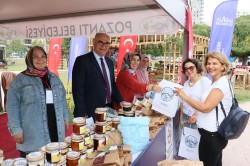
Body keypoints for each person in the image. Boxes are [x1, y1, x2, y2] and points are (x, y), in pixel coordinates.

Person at [7, 46, 70, 157]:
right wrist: (16, 129)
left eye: (42, 56)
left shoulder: (54, 78)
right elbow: (12, 106)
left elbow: (62, 100)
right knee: (34, 160)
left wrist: (65, 117)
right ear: (29, 59)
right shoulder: (20, 80)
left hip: (55, 126)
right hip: (33, 131)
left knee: (54, 157)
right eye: (35, 56)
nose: (40, 59)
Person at [174, 51, 232, 166]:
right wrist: (196, 115)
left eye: (215, 63)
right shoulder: (215, 83)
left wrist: (184, 95)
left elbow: (206, 108)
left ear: (223, 66)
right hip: (211, 134)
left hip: (212, 135)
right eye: (209, 63)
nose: (211, 66)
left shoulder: (220, 84)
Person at [72, 33, 123, 120]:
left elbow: (111, 85)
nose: (104, 46)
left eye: (107, 43)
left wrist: (120, 100)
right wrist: (82, 113)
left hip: (108, 108)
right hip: (90, 111)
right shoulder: (82, 61)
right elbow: (77, 89)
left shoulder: (110, 62)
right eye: (100, 42)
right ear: (94, 42)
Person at [180, 58, 211, 129]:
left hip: (198, 118)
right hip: (185, 118)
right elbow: (182, 101)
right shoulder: (186, 84)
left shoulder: (205, 81)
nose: (188, 70)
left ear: (197, 68)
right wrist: (181, 117)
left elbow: (208, 102)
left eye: (191, 68)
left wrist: (197, 114)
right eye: (186, 68)